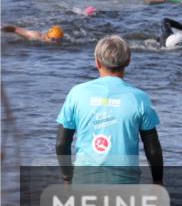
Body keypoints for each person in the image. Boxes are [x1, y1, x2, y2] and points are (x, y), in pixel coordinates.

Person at [55, 35, 163, 185]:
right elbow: (153, 150)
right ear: (128, 61)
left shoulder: (77, 94)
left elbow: (61, 144)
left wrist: (67, 178)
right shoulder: (139, 98)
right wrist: (158, 182)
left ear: (97, 62)